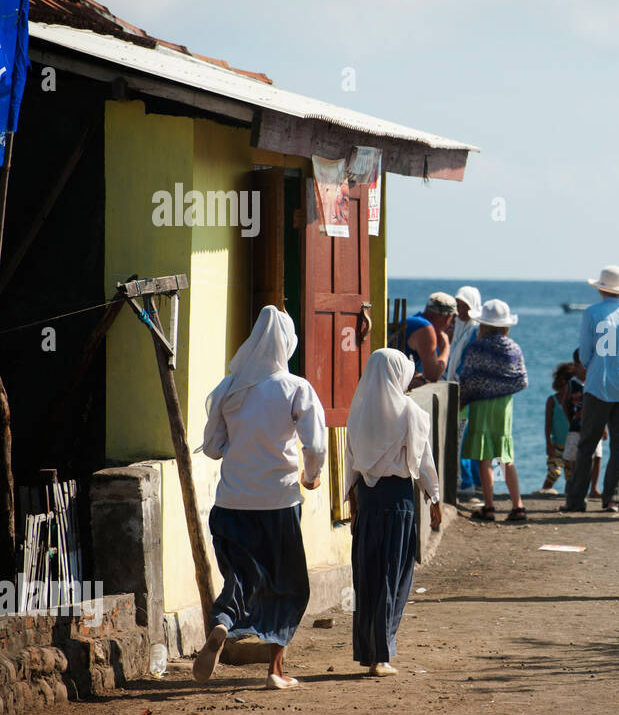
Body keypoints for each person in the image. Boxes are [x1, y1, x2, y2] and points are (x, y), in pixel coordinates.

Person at [195, 305, 326, 689]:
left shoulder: (228, 388)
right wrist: (311, 476)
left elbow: (213, 447)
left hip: (231, 503)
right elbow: (315, 444)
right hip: (278, 504)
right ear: (286, 344)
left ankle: (222, 622)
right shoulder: (296, 388)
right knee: (287, 584)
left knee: (240, 578)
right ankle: (275, 671)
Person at [345, 349, 440, 677]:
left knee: (368, 579)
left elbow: (351, 465)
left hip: (368, 502)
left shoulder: (358, 413)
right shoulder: (411, 413)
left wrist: (353, 505)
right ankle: (382, 657)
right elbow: (423, 460)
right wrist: (435, 497)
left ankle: (369, 652)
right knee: (394, 576)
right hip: (400, 504)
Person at [564, 266, 619, 513]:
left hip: (598, 385)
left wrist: (593, 365)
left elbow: (585, 354)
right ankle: (612, 499)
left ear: (601, 289)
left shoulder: (591, 313)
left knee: (587, 444)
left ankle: (577, 500)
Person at [459, 299, 528, 522]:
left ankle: (489, 507)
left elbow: (468, 379)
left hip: (481, 404)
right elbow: (522, 380)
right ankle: (518, 506)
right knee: (506, 455)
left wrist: (463, 400)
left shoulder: (477, 347)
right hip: (504, 406)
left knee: (484, 456)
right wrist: (501, 387)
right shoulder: (514, 347)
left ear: (484, 324)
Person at [447, 286, 482, 497]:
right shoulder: (460, 327)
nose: (460, 310)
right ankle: (473, 481)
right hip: (457, 389)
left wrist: (462, 388)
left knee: (463, 438)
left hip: (466, 393)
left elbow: (468, 363)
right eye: (458, 305)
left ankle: (468, 482)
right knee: (467, 437)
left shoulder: (475, 330)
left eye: (464, 306)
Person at [561, 374, 603, 499]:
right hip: (576, 428)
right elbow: (564, 403)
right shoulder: (572, 383)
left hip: (595, 426)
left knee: (597, 457)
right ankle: (574, 487)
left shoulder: (595, 378)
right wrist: (571, 420)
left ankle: (593, 488)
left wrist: (603, 426)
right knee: (574, 458)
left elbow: (602, 404)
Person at [403, 292, 456, 386]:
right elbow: (433, 375)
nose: (452, 324)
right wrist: (446, 347)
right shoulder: (425, 328)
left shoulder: (414, 321)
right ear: (448, 317)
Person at [539, 362, 577, 493]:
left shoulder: (574, 401)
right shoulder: (552, 400)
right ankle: (544, 491)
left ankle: (568, 497)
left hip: (571, 445)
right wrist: (548, 444)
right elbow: (548, 424)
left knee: (570, 476)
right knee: (554, 472)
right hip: (556, 445)